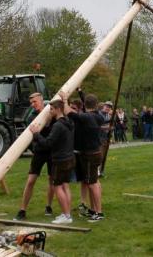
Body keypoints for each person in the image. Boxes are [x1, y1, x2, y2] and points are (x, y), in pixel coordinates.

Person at [29, 99, 75, 224]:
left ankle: (66, 216)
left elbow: (47, 144)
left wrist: (36, 134)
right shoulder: (69, 122)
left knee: (58, 187)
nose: (50, 111)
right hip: (69, 158)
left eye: (51, 109)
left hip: (60, 159)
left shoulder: (58, 125)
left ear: (58, 109)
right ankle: (67, 214)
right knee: (64, 186)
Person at [15, 93, 55, 221]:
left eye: (35, 102)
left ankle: (49, 206)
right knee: (31, 180)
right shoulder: (31, 117)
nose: (33, 105)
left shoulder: (51, 111)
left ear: (41, 100)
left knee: (52, 179)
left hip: (51, 151)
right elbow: (32, 134)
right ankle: (22, 210)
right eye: (31, 102)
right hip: (39, 151)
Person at [66, 94, 106, 222]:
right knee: (95, 182)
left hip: (89, 155)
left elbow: (68, 112)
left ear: (84, 105)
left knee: (92, 184)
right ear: (96, 104)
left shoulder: (85, 117)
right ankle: (94, 210)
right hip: (96, 153)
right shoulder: (99, 116)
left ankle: (99, 213)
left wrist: (62, 99)